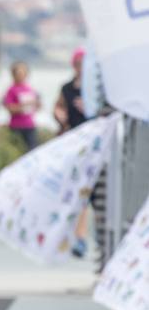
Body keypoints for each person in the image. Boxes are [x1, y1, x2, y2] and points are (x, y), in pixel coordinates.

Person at [55, 48, 93, 258]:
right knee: (73, 191)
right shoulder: (67, 88)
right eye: (77, 62)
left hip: (92, 144)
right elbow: (58, 107)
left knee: (87, 193)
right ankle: (74, 236)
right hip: (71, 142)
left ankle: (81, 236)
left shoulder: (95, 89)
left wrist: (89, 108)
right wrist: (60, 116)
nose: (80, 66)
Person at [3, 61, 40, 152]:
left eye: (23, 73)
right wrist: (23, 106)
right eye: (18, 73)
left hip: (30, 125)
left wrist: (36, 105)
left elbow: (36, 107)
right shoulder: (11, 90)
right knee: (16, 151)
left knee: (32, 151)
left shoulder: (30, 88)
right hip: (16, 126)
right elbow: (9, 108)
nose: (21, 76)